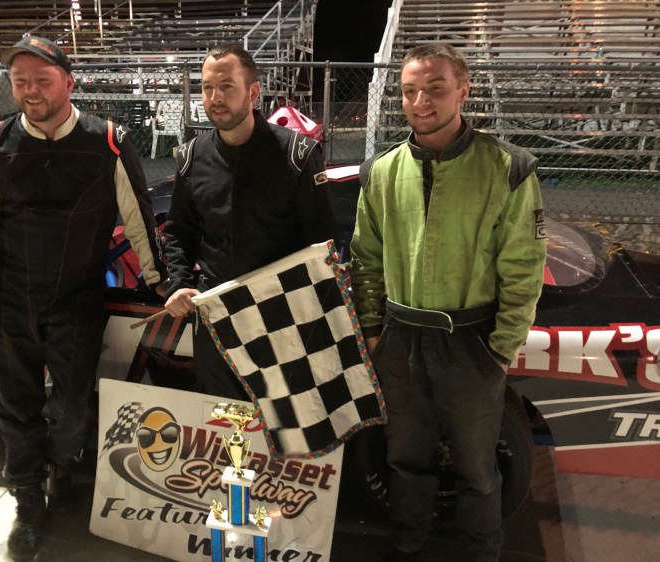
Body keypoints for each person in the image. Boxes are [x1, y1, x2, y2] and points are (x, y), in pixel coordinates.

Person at [0, 36, 165, 562]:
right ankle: (28, 503)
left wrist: (163, 285)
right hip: (9, 299)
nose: (29, 90)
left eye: (41, 80)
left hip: (78, 299)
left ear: (69, 83)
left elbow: (138, 217)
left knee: (71, 411)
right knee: (16, 408)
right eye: (20, 81)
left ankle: (61, 469)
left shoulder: (107, 141)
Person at [350, 43, 546, 562]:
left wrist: (500, 350)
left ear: (463, 90)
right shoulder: (382, 171)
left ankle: (482, 550)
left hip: (472, 343)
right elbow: (364, 258)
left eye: (435, 88)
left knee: (477, 467)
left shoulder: (508, 168)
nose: (421, 101)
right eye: (410, 90)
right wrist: (373, 330)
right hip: (399, 340)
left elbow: (523, 270)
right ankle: (409, 544)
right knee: (405, 457)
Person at [162, 44, 337, 401]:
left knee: (284, 427)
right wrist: (178, 283)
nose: (215, 97)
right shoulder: (190, 157)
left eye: (226, 86)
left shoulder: (298, 155)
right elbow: (179, 233)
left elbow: (322, 244)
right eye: (207, 87)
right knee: (223, 422)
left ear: (253, 92)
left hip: (282, 318)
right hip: (215, 318)